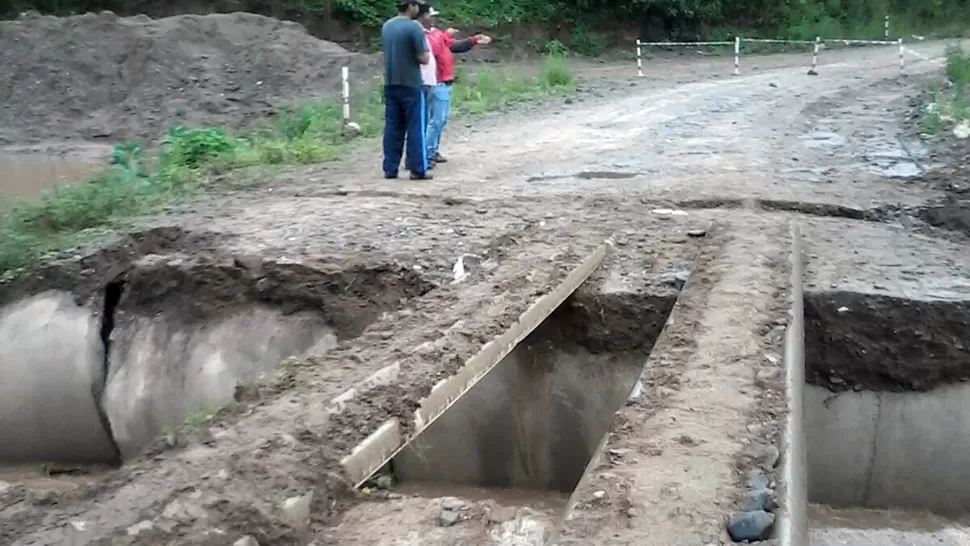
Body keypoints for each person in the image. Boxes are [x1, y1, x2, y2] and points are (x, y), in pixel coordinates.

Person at [424, 10, 491, 167]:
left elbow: (454, 46)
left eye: (434, 17)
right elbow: (435, 47)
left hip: (443, 82)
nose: (434, 19)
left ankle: (431, 151)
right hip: (435, 82)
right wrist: (446, 35)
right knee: (435, 120)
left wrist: (473, 40)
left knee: (439, 120)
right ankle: (426, 153)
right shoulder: (424, 35)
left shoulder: (436, 34)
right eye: (430, 16)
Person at [381, 0, 433, 180]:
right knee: (416, 127)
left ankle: (390, 168)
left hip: (390, 82)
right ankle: (418, 168)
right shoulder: (414, 27)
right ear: (411, 6)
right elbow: (424, 58)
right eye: (417, 5)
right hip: (411, 83)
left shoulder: (387, 26)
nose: (418, 8)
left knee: (392, 127)